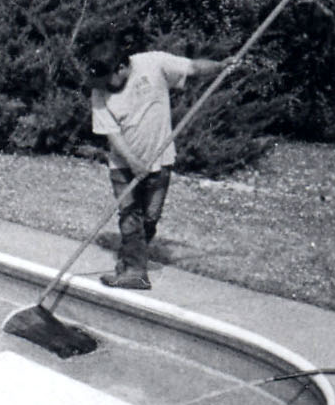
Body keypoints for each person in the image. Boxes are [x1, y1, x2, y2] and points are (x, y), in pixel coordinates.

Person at [80, 33, 227, 289]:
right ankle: (135, 271)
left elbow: (192, 67)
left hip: (161, 160)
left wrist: (221, 67)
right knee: (129, 217)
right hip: (123, 165)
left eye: (107, 79)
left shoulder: (153, 63)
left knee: (150, 218)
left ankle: (130, 261)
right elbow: (111, 133)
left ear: (122, 67)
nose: (102, 85)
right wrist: (133, 161)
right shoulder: (99, 91)